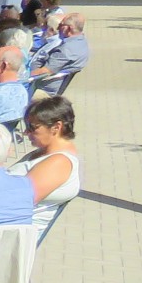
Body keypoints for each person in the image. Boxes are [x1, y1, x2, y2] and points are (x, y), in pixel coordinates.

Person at [14, 95, 83, 241]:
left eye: (33, 127)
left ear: (56, 127)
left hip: (14, 234)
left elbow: (18, 201)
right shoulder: (43, 153)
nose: (26, 133)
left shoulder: (58, 163)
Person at [28, 11, 90, 86]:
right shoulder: (81, 42)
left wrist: (22, 77)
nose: (57, 28)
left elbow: (45, 71)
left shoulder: (66, 50)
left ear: (69, 28)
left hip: (40, 85)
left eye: (61, 25)